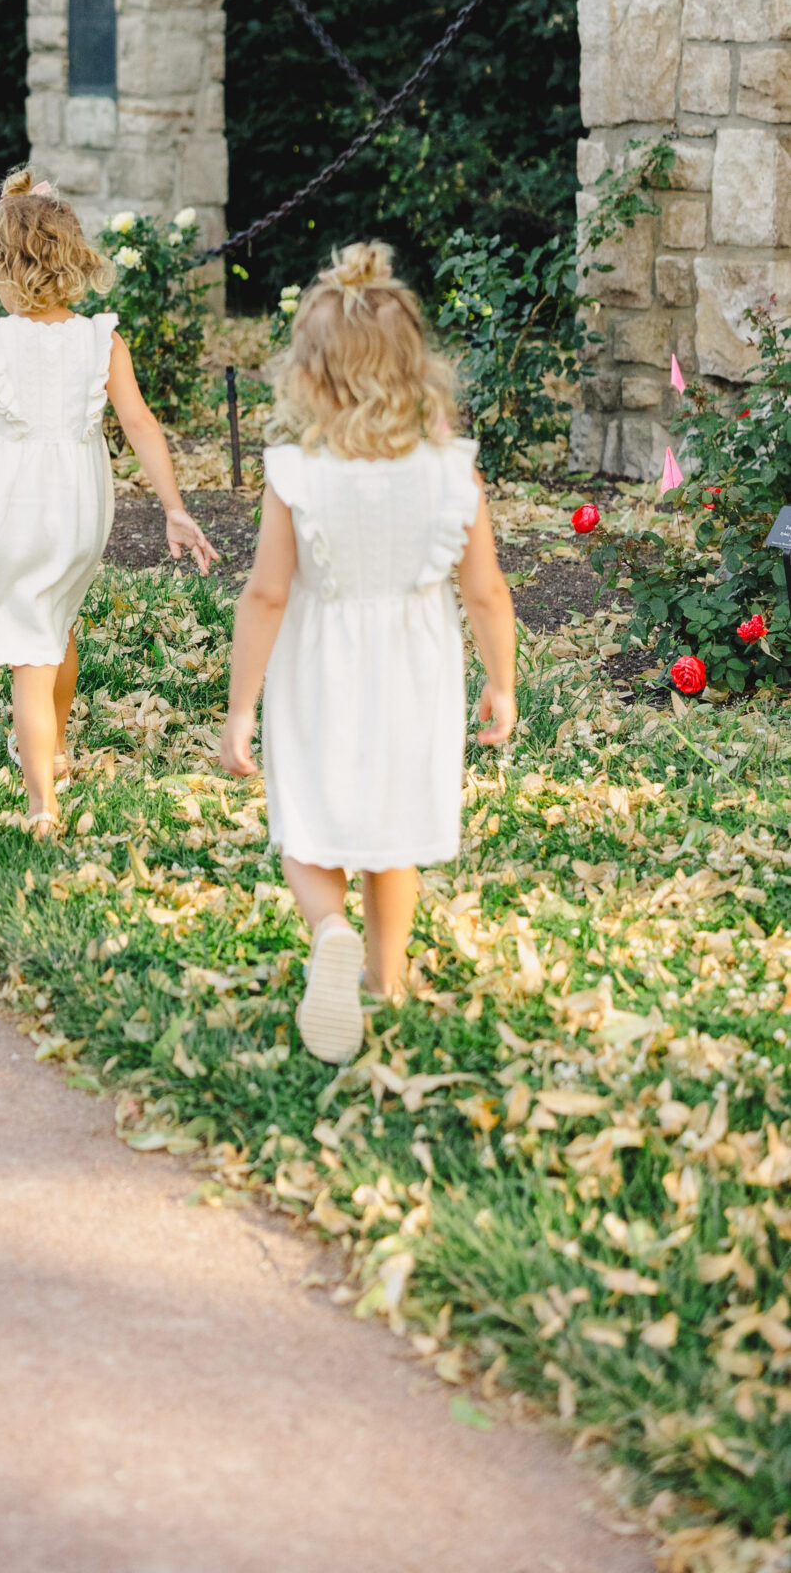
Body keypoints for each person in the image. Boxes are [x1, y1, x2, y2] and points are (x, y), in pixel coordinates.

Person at [218, 241, 517, 1066]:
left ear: (311, 375)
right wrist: (500, 682)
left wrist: (242, 706)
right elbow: (486, 592)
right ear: (414, 366)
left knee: (309, 826)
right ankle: (385, 983)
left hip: (320, 662)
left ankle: (328, 931)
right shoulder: (452, 473)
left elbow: (266, 594)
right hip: (414, 669)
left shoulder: (296, 472)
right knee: (395, 830)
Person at [0, 173, 215, 835]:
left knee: (29, 646)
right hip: (75, 504)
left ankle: (41, 801)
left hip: (3, 501)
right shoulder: (100, 339)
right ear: (75, 259)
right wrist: (173, 507)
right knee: (52, 621)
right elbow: (139, 425)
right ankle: (58, 745)